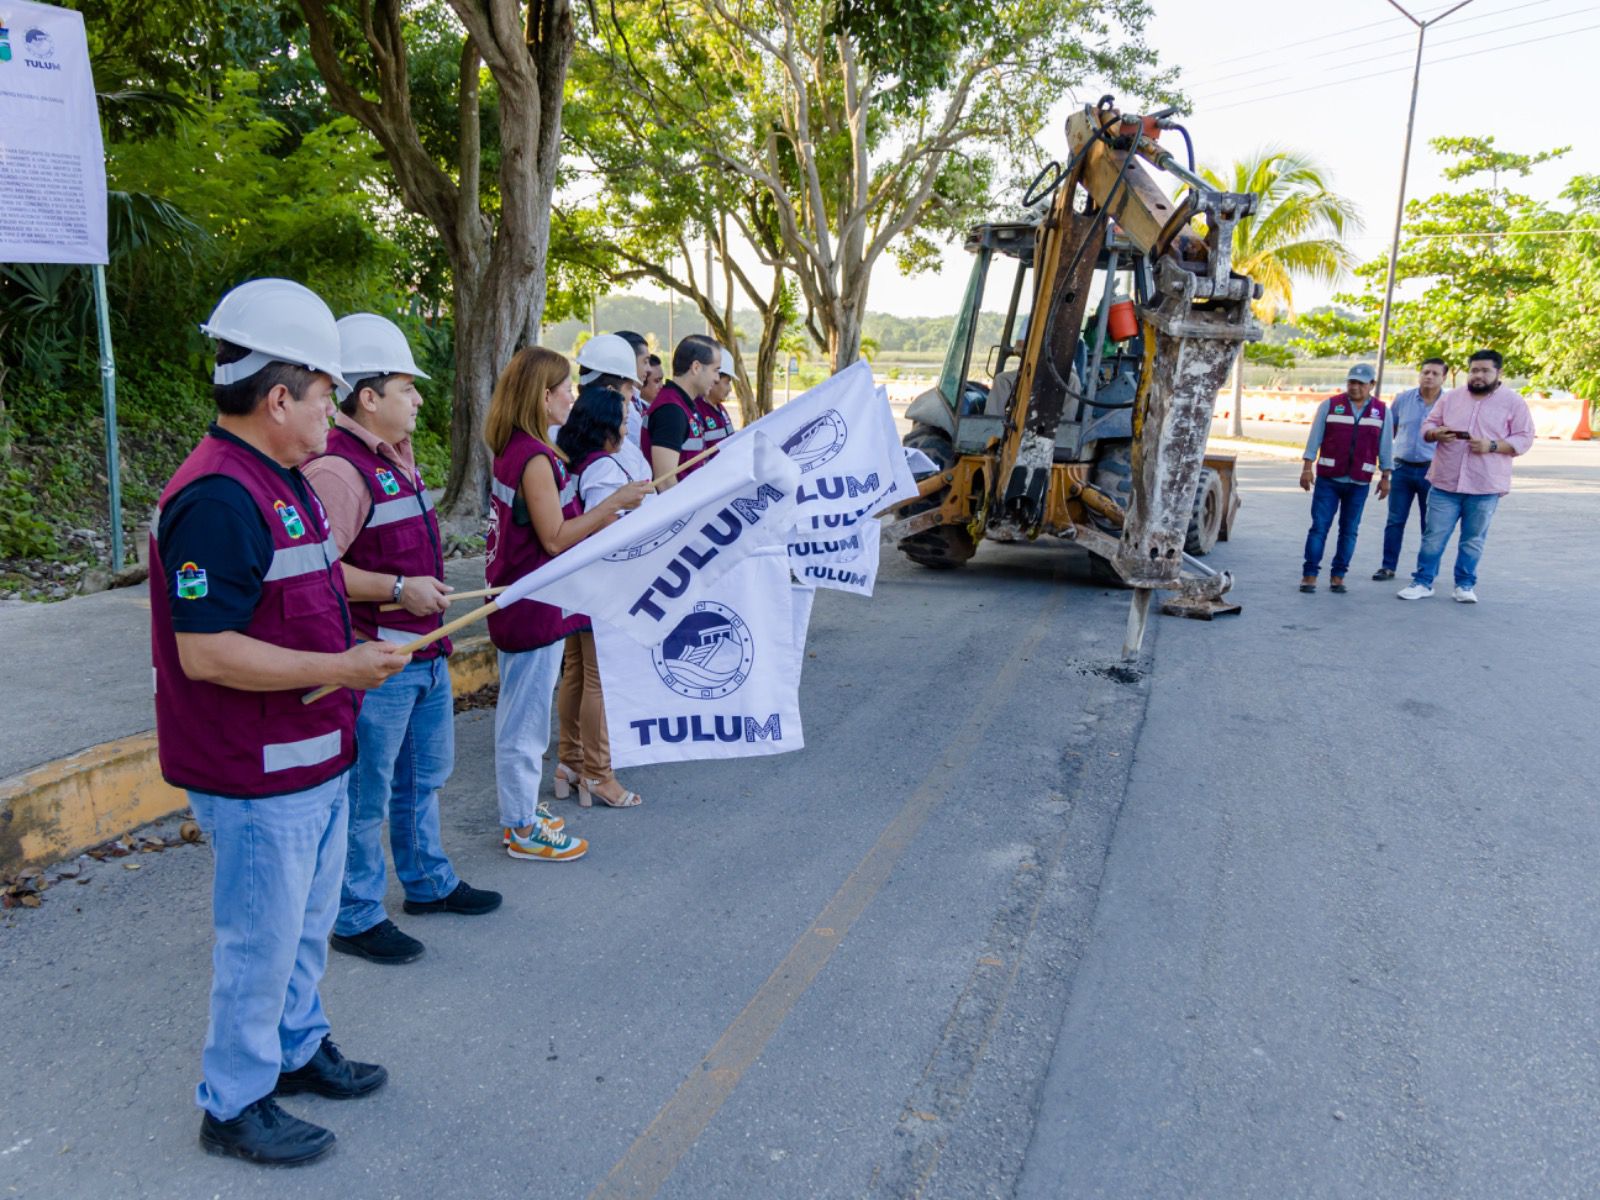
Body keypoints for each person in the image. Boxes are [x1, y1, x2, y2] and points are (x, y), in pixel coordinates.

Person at [153, 278, 406, 1166]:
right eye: (326, 393)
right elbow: (206, 652)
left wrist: (356, 649)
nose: (333, 411)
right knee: (260, 941)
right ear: (278, 398)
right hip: (255, 770)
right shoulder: (218, 497)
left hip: (313, 757)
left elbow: (307, 596)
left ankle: (296, 1050)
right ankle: (235, 1100)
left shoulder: (282, 479)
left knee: (302, 926)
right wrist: (341, 666)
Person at [302, 314, 501, 967]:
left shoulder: (398, 461)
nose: (418, 398)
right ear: (369, 397)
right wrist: (395, 588)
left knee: (422, 781)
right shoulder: (339, 471)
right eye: (406, 388)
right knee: (366, 795)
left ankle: (428, 883)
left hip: (425, 655)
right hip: (379, 664)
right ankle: (355, 915)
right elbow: (316, 571)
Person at [485, 348, 651, 860]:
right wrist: (611, 507)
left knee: (523, 715)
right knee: (524, 725)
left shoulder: (517, 447)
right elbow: (555, 538)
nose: (570, 397)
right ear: (542, 395)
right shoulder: (534, 457)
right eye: (564, 388)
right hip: (531, 604)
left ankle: (524, 811)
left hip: (522, 598)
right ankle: (519, 825)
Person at [554, 387, 648, 809]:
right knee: (597, 677)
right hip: (601, 582)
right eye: (624, 422)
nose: (628, 430)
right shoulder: (605, 467)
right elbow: (604, 524)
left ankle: (570, 762)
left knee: (575, 671)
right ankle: (599, 774)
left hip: (574, 582)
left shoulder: (571, 462)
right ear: (606, 428)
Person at [1398, 349, 1535, 603]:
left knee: (1473, 539)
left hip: (1485, 485)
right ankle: (1423, 582)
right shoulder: (1451, 398)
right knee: (1433, 536)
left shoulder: (1514, 402)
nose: (1478, 375)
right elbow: (1428, 425)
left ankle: (1464, 585)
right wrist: (1436, 433)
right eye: (1474, 370)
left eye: (1485, 370)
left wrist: (1491, 446)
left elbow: (1524, 438)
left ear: (1498, 373)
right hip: (1445, 481)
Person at [1298, 363, 1392, 594]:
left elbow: (1385, 446)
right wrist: (1307, 467)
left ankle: (1338, 575)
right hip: (1329, 479)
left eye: (1361, 383)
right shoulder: (1330, 405)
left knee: (1349, 530)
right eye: (1352, 382)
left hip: (1359, 481)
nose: (1355, 387)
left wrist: (1386, 475)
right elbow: (1315, 438)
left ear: (1371, 385)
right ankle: (1310, 575)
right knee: (1319, 527)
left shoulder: (1381, 411)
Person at [1373, 358, 1445, 581]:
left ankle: (1426, 571)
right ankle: (1388, 566)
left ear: (1443, 377)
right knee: (1395, 520)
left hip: (1432, 472)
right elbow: (1389, 432)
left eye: (1434, 373)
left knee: (1430, 525)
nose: (1429, 376)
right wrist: (1385, 468)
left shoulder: (1450, 403)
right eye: (1425, 372)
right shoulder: (1403, 399)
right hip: (1402, 469)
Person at [642, 334, 721, 490]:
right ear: (696, 367)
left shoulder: (682, 405)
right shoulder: (671, 411)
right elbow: (664, 481)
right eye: (715, 370)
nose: (717, 378)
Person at [577, 332, 650, 481]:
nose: (633, 394)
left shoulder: (569, 431)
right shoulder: (606, 453)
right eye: (630, 388)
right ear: (611, 391)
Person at [698, 346, 738, 450]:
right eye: (727, 382)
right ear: (714, 378)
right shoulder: (697, 410)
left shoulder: (721, 410)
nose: (730, 389)